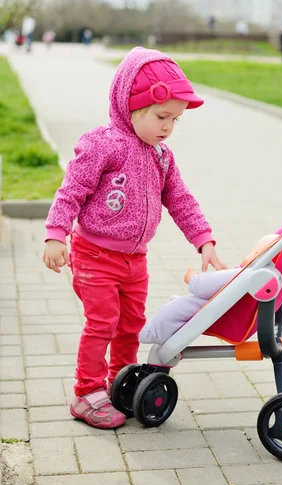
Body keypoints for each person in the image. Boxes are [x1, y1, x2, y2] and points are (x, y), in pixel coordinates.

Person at [42, 47, 227, 429]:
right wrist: (56, 234)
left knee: (130, 324)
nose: (167, 127)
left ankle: (119, 381)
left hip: (135, 260)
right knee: (102, 323)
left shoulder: (162, 157)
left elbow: (179, 198)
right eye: (162, 117)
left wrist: (204, 239)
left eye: (175, 120)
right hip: (94, 254)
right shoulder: (102, 144)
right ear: (131, 107)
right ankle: (86, 392)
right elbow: (71, 190)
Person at [139, 234, 279, 345]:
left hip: (201, 310)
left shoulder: (244, 274)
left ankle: (152, 333)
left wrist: (193, 279)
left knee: (170, 313)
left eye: (254, 252)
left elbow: (205, 286)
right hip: (207, 307)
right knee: (178, 306)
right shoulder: (251, 277)